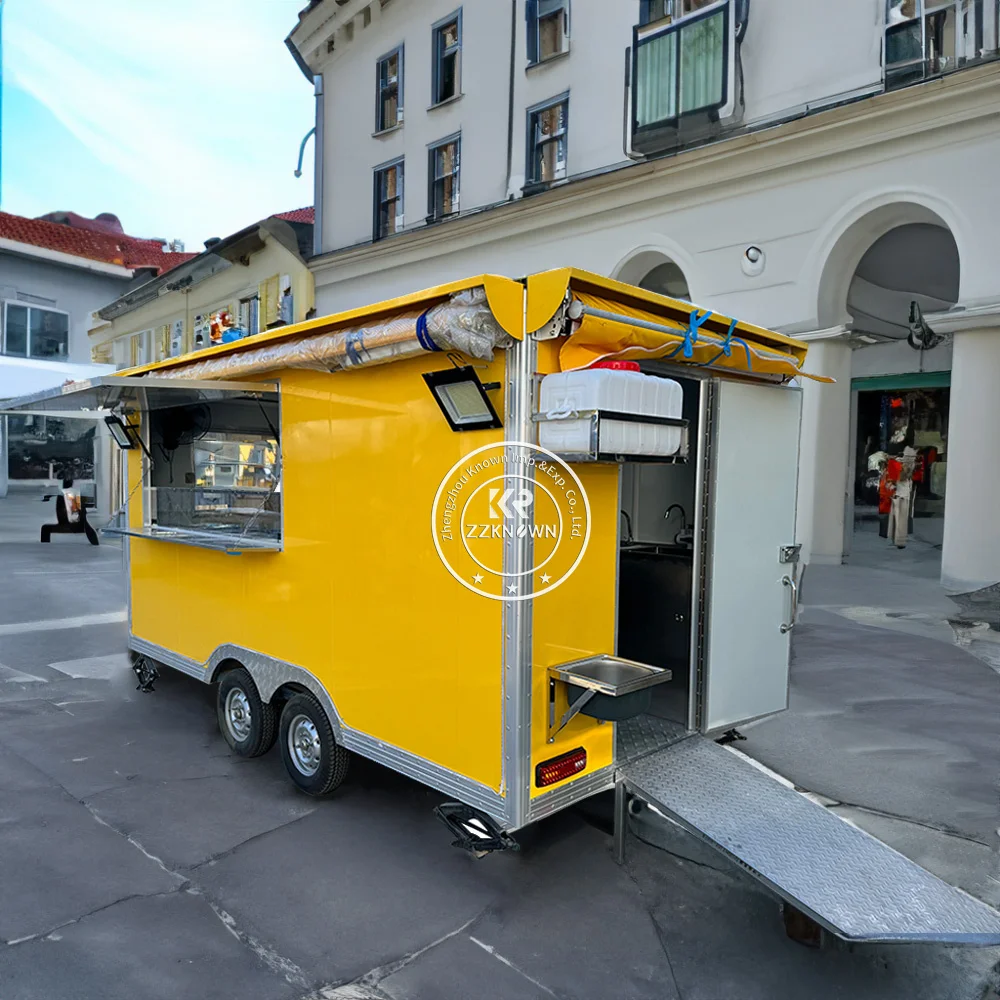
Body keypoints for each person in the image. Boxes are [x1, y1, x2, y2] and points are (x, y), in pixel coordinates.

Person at [40, 477, 99, 546]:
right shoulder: (68, 495)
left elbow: (74, 516)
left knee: (45, 529)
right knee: (45, 528)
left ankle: (45, 548)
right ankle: (45, 548)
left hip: (73, 526)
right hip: (72, 524)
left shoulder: (70, 495)